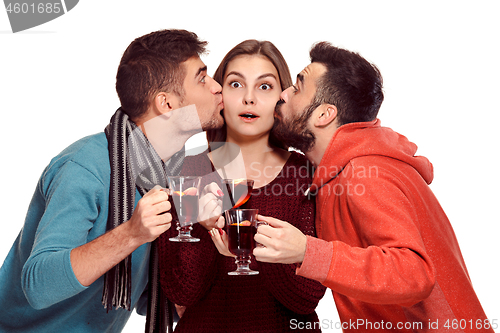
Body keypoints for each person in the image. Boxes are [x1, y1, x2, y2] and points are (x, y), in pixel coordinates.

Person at [253, 42, 494, 332]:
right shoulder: (341, 171)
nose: (284, 93)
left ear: (323, 115)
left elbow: (414, 272)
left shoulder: (364, 173)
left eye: (297, 87)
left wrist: (308, 251)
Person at [0, 29, 224, 332]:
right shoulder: (83, 167)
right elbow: (38, 285)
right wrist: (132, 233)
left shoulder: (175, 178)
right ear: (167, 104)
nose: (216, 87)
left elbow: (150, 299)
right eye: (202, 78)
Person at [158, 40, 326, 332]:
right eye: (236, 85)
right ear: (219, 94)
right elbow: (181, 292)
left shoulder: (307, 174)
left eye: (264, 87)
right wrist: (204, 226)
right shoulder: (189, 170)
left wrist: (256, 244)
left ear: (282, 97)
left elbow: (305, 298)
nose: (249, 98)